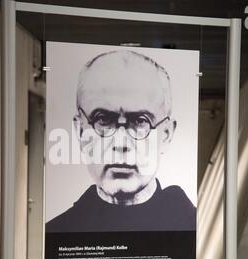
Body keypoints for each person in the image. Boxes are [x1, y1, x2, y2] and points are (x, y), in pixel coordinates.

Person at [46, 50, 196, 233]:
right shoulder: (57, 232)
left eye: (141, 121)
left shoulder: (193, 228)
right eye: (103, 119)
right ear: (80, 131)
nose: (120, 144)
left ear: (166, 135)